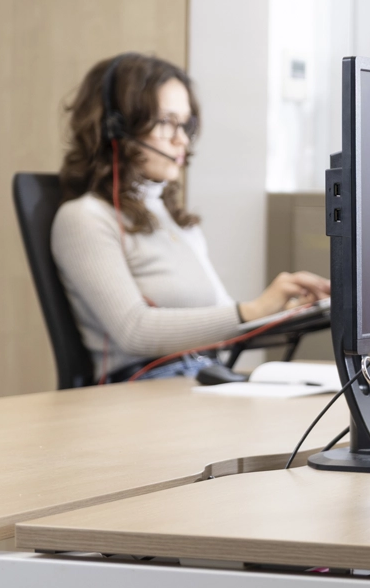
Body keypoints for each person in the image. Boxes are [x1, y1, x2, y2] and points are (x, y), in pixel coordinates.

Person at [52, 53, 330, 383]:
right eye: (166, 122)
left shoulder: (172, 218)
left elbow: (225, 319)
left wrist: (286, 312)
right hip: (141, 388)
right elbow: (133, 331)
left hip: (199, 375)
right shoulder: (84, 218)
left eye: (185, 124)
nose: (181, 139)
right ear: (116, 128)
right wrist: (253, 310)